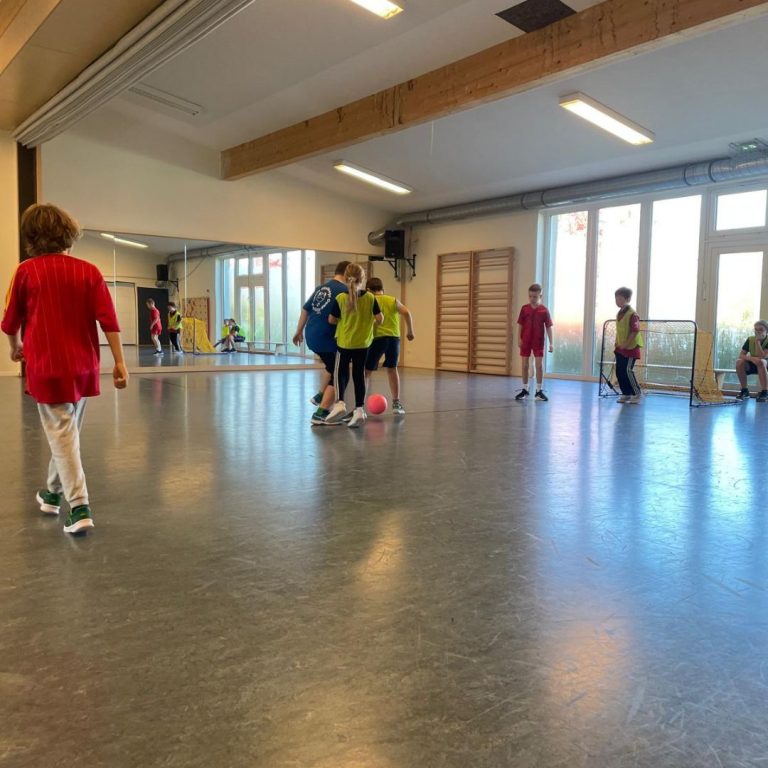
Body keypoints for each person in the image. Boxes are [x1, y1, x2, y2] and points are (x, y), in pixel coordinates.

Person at [1, 203, 128, 534]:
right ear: (68, 234)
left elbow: (10, 320)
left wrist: (15, 346)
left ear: (32, 237)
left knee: (63, 434)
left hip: (47, 367)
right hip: (83, 367)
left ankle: (80, 506)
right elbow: (109, 320)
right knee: (67, 434)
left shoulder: (26, 271)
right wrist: (119, 361)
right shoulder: (89, 271)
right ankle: (52, 494)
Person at [325, 263, 383, 428]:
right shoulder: (370, 298)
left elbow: (331, 320)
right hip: (363, 344)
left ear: (345, 278)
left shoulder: (341, 298)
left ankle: (340, 403)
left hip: (345, 343)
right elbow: (380, 319)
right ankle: (359, 409)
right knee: (359, 375)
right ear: (362, 279)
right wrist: (368, 322)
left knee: (339, 373)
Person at [293, 260, 351, 416]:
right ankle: (321, 412)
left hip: (312, 335)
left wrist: (299, 331)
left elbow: (305, 310)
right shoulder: (344, 291)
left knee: (332, 367)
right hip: (327, 338)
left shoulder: (321, 288)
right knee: (342, 374)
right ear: (348, 274)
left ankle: (320, 395)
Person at [364, 277, 415, 415]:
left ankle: (360, 405)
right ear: (382, 289)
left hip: (376, 339)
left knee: (367, 372)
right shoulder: (392, 300)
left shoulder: (369, 300)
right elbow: (407, 312)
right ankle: (396, 403)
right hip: (393, 339)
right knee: (392, 369)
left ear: (368, 290)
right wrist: (410, 331)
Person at [515, 283, 554, 401]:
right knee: (525, 365)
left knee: (538, 365)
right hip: (526, 340)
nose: (532, 299)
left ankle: (538, 390)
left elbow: (549, 327)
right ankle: (525, 389)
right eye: (530, 296)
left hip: (538, 341)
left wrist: (551, 343)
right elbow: (520, 325)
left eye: (535, 297)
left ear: (540, 296)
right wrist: (519, 338)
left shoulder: (544, 310)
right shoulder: (524, 309)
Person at [613, 286, 644, 404]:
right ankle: (626, 393)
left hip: (631, 348)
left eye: (620, 299)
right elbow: (620, 331)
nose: (617, 301)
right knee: (619, 371)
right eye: (616, 299)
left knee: (627, 370)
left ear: (628, 299)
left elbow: (635, 331)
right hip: (620, 348)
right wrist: (618, 343)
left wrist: (626, 344)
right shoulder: (619, 313)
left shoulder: (633, 314)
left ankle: (637, 393)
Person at [735, 320, 768, 401]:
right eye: (756, 329)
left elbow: (763, 356)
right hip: (754, 362)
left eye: (761, 329)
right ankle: (745, 390)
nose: (758, 332)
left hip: (765, 363)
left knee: (761, 361)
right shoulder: (750, 339)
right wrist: (752, 358)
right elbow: (741, 355)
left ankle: (765, 392)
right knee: (739, 362)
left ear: (766, 331)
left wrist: (758, 343)